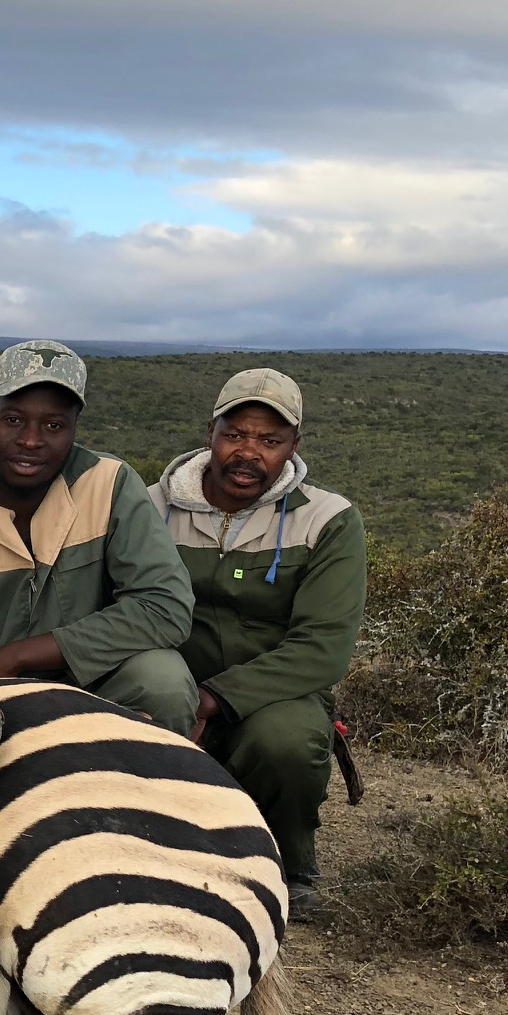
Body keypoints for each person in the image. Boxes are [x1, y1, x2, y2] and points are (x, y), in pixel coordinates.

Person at [0, 339, 196, 732]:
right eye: (13, 420)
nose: (31, 441)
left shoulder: (109, 484)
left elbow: (165, 606)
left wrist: (18, 657)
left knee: (164, 682)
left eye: (53, 425)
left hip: (93, 680)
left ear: (74, 427)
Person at [150, 368, 366, 915]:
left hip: (275, 690)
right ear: (211, 432)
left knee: (284, 742)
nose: (248, 453)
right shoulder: (148, 508)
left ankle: (286, 865)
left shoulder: (328, 519)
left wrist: (215, 698)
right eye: (236, 434)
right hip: (166, 677)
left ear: (294, 446)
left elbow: (323, 646)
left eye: (270, 441)